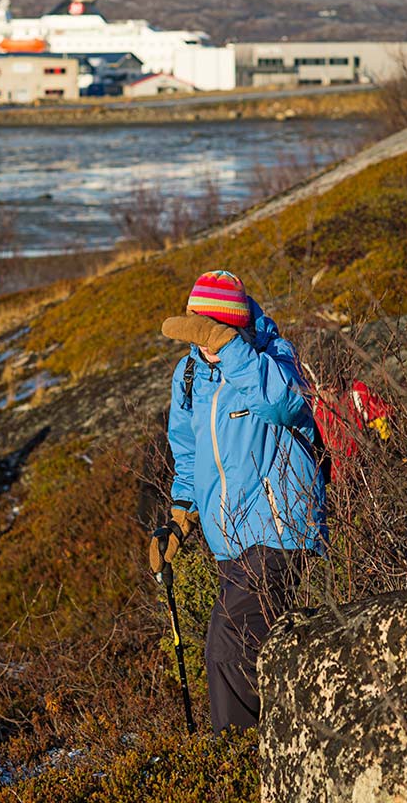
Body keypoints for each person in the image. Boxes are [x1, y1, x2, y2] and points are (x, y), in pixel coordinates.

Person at [150, 269, 327, 734]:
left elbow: (283, 403)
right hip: (232, 543)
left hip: (281, 527)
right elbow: (186, 451)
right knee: (268, 655)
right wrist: (180, 516)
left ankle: (236, 756)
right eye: (200, 333)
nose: (204, 344)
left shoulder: (272, 357)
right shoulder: (189, 374)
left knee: (226, 644)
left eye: (213, 332)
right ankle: (279, 751)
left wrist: (230, 348)